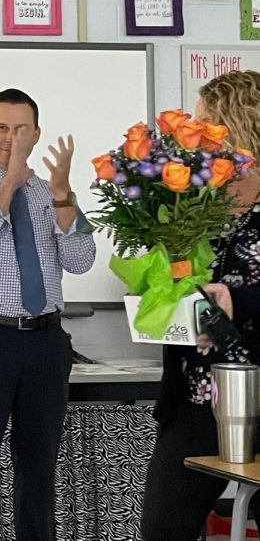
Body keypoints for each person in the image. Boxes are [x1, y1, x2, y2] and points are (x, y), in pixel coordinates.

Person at [0, 88, 96, 541]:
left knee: (39, 465)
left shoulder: (53, 194)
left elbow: (82, 258)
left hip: (45, 340)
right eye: (3, 128)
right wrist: (9, 181)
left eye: (22, 129)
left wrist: (65, 197)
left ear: (37, 133)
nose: (12, 138)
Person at [141, 70, 260, 540]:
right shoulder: (192, 203)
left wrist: (240, 300)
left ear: (237, 127)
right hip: (197, 401)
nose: (194, 134)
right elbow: (168, 284)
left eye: (206, 123)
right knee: (162, 530)